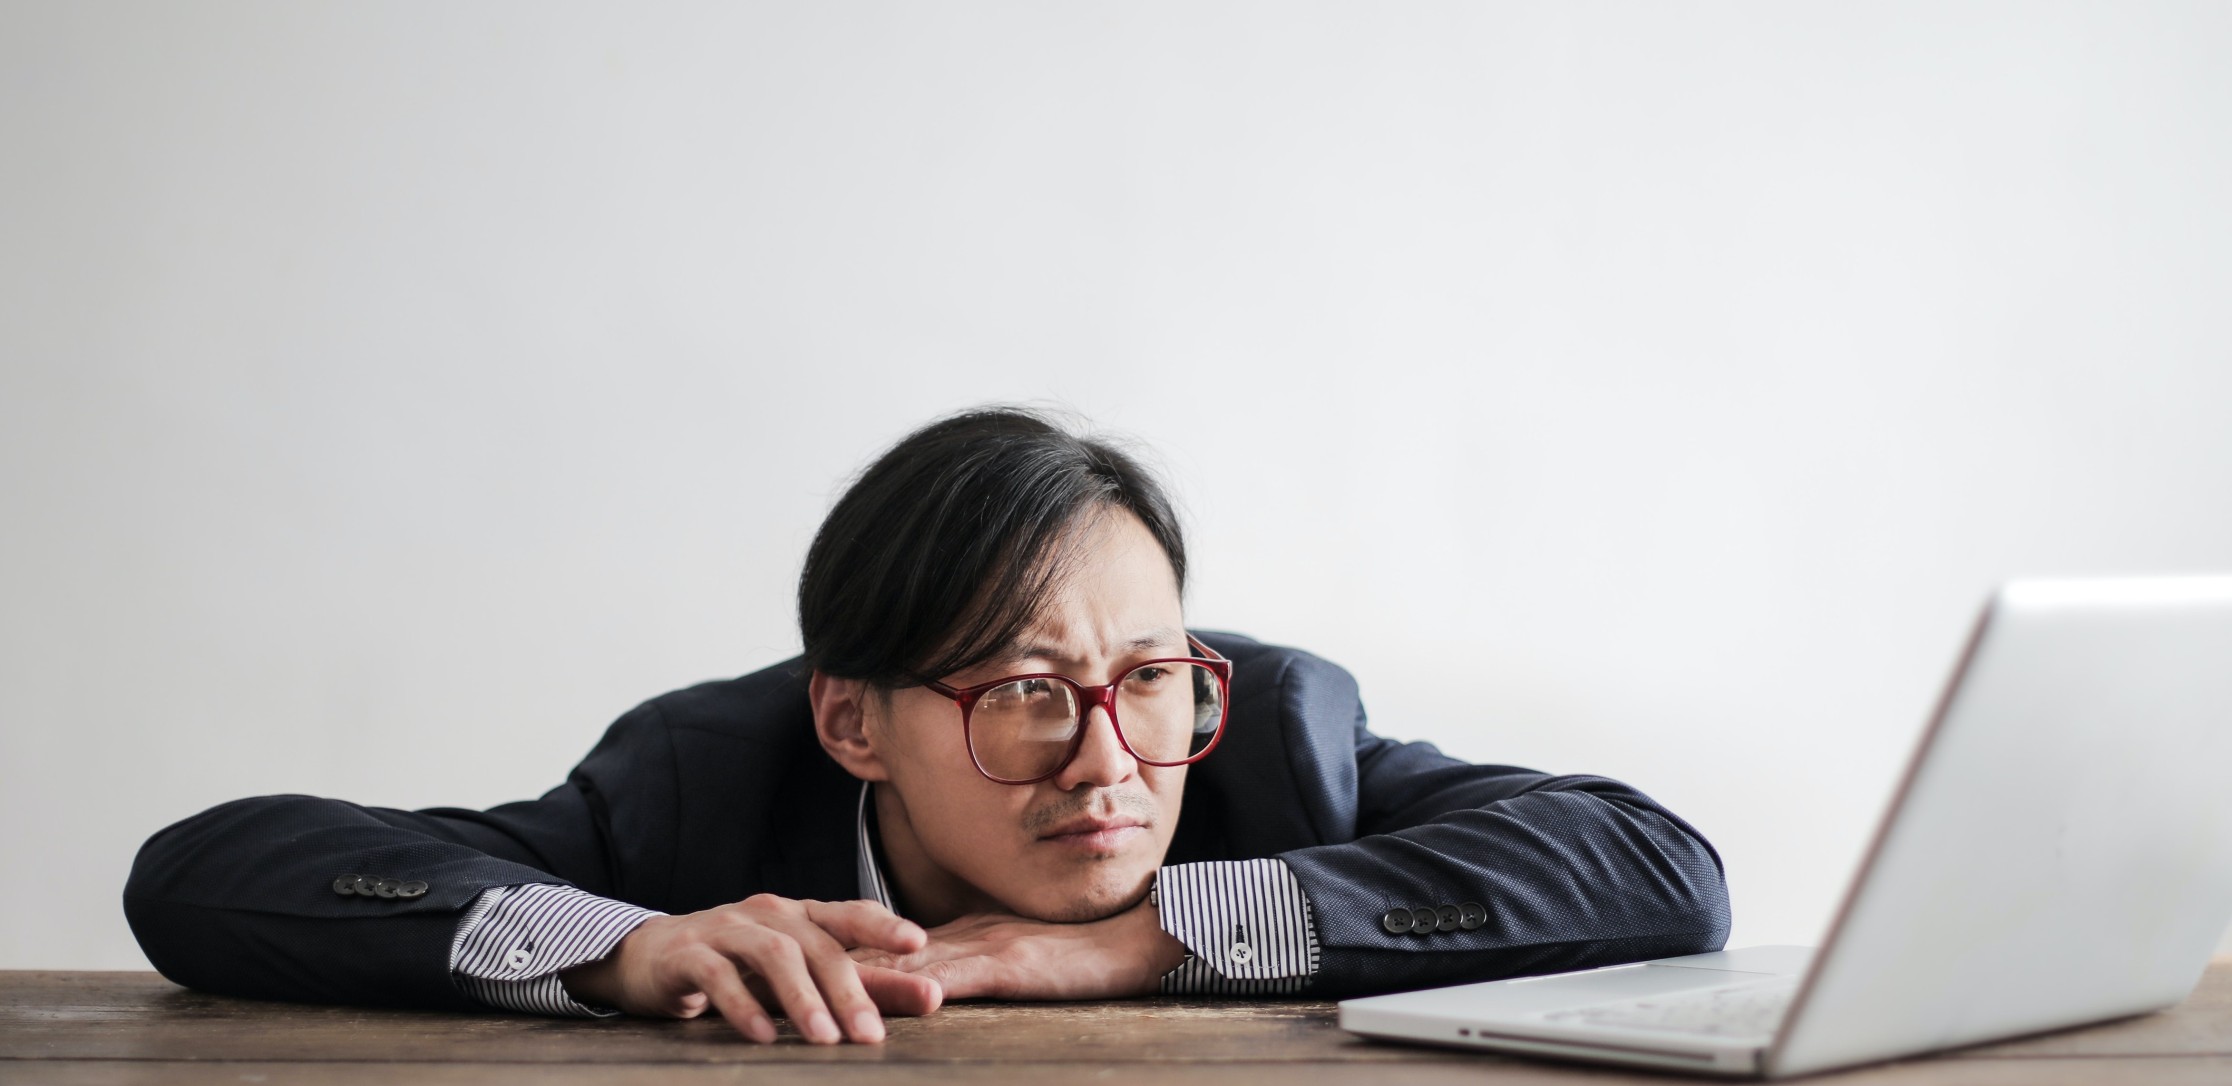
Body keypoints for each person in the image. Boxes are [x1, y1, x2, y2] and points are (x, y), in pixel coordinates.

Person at [123, 407, 1731, 1045]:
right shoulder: (700, 782)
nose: (1111, 758)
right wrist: (626, 946)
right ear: (851, 720)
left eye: (1150, 675)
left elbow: (1660, 867)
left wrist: (1146, 940)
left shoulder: (1274, 736)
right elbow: (202, 874)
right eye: (1027, 692)